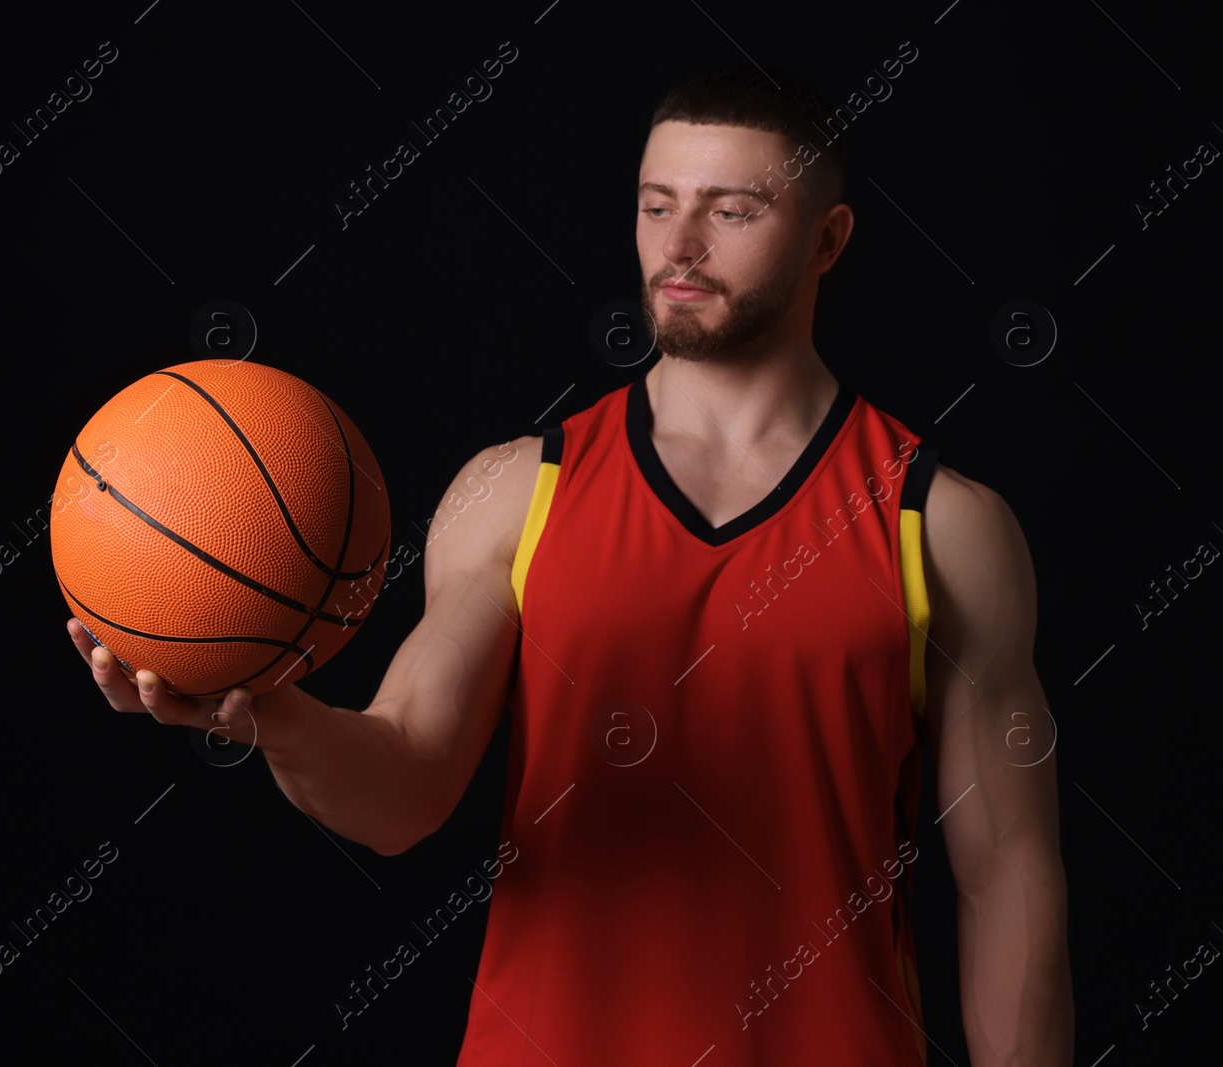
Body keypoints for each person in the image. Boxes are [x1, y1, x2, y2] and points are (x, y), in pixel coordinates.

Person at [68, 64, 1073, 1067]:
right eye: (655, 205)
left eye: (730, 210)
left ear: (827, 239)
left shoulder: (935, 524)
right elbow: (405, 786)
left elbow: (1006, 880)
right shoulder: (514, 491)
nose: (678, 246)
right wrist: (270, 713)